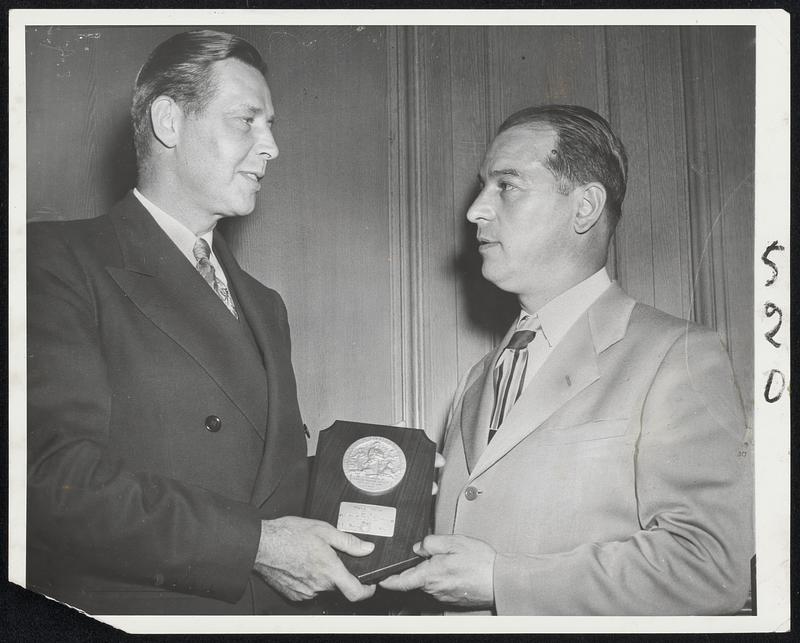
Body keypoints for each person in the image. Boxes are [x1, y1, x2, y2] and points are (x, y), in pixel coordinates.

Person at [26, 30, 377, 615]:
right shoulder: (57, 261)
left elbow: (261, 479)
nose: (272, 147)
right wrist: (255, 545)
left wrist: (380, 481)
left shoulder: (266, 305)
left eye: (271, 125)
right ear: (168, 121)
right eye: (247, 121)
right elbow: (50, 480)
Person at [380, 104, 753, 615]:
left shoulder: (677, 355)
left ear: (585, 207)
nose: (475, 211)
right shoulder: (479, 378)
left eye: (506, 185)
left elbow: (709, 567)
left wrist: (501, 580)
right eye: (482, 186)